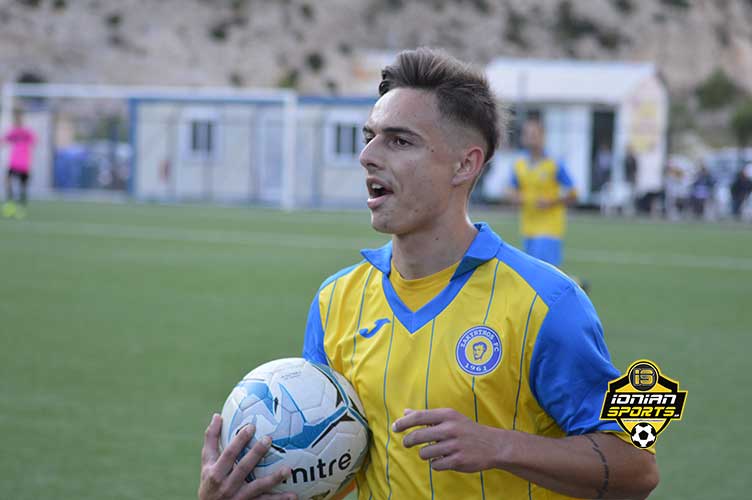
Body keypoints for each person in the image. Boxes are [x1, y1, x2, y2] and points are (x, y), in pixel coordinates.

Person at [198, 48, 659, 500]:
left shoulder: (551, 302)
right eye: (369, 137)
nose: (368, 155)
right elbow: (331, 468)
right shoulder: (334, 300)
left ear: (465, 164)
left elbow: (640, 465)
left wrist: (501, 445)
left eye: (400, 141)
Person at [508, 118, 577, 268]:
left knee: (544, 271)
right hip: (528, 227)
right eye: (526, 134)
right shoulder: (519, 164)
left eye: (533, 134)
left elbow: (573, 193)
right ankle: (576, 280)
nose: (529, 138)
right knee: (532, 273)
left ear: (542, 136)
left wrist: (552, 201)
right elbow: (510, 189)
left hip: (549, 227)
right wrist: (514, 197)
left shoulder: (554, 164)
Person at [1, 109, 36, 219]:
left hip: (24, 164)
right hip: (14, 163)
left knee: (23, 187)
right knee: (8, 182)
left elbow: (34, 142)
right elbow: (3, 141)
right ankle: (10, 206)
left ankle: (21, 209)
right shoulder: (13, 132)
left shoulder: (27, 132)